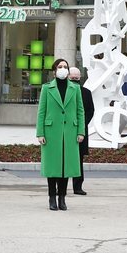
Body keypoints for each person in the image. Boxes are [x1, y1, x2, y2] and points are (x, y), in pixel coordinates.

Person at [36, 58, 85, 211]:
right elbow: (41, 111)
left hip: (70, 131)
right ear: (54, 70)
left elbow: (80, 111)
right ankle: (52, 197)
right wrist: (40, 132)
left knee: (66, 167)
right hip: (51, 132)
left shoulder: (75, 88)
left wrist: (81, 131)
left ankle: (62, 197)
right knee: (53, 167)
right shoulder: (46, 88)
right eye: (60, 66)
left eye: (65, 67)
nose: (63, 69)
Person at [70, 66, 95, 195]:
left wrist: (82, 124)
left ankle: (78, 186)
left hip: (80, 131)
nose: (74, 79)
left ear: (80, 78)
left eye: (77, 78)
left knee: (78, 160)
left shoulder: (86, 92)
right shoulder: (64, 92)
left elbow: (91, 110)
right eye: (72, 78)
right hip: (66, 130)